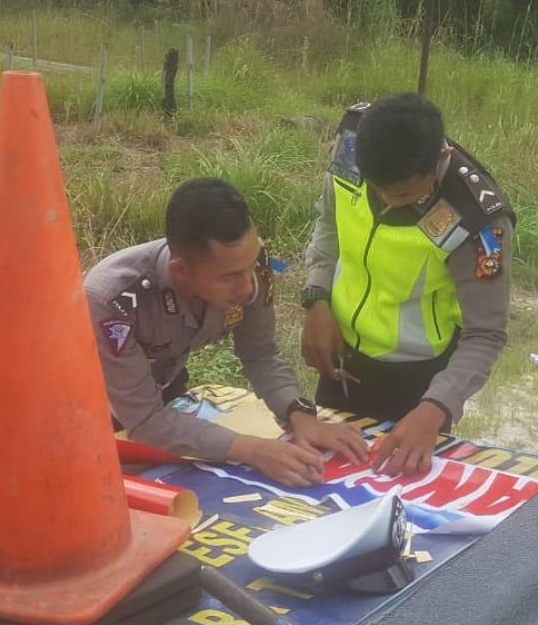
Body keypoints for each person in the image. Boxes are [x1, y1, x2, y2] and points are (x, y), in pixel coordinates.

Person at [84, 177, 367, 487]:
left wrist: (299, 414)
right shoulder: (114, 301)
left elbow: (260, 354)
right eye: (230, 277)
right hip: (86, 414)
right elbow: (145, 420)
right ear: (181, 271)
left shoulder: (246, 263)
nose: (247, 288)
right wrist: (253, 450)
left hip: (161, 396)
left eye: (250, 267)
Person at [300, 93, 514, 475]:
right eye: (376, 188)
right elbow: (328, 222)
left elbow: (486, 334)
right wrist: (317, 299)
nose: (385, 201)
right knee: (322, 482)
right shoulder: (355, 141)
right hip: (342, 364)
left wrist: (436, 408)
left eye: (401, 194)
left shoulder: (476, 218)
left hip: (417, 386)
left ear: (439, 162)